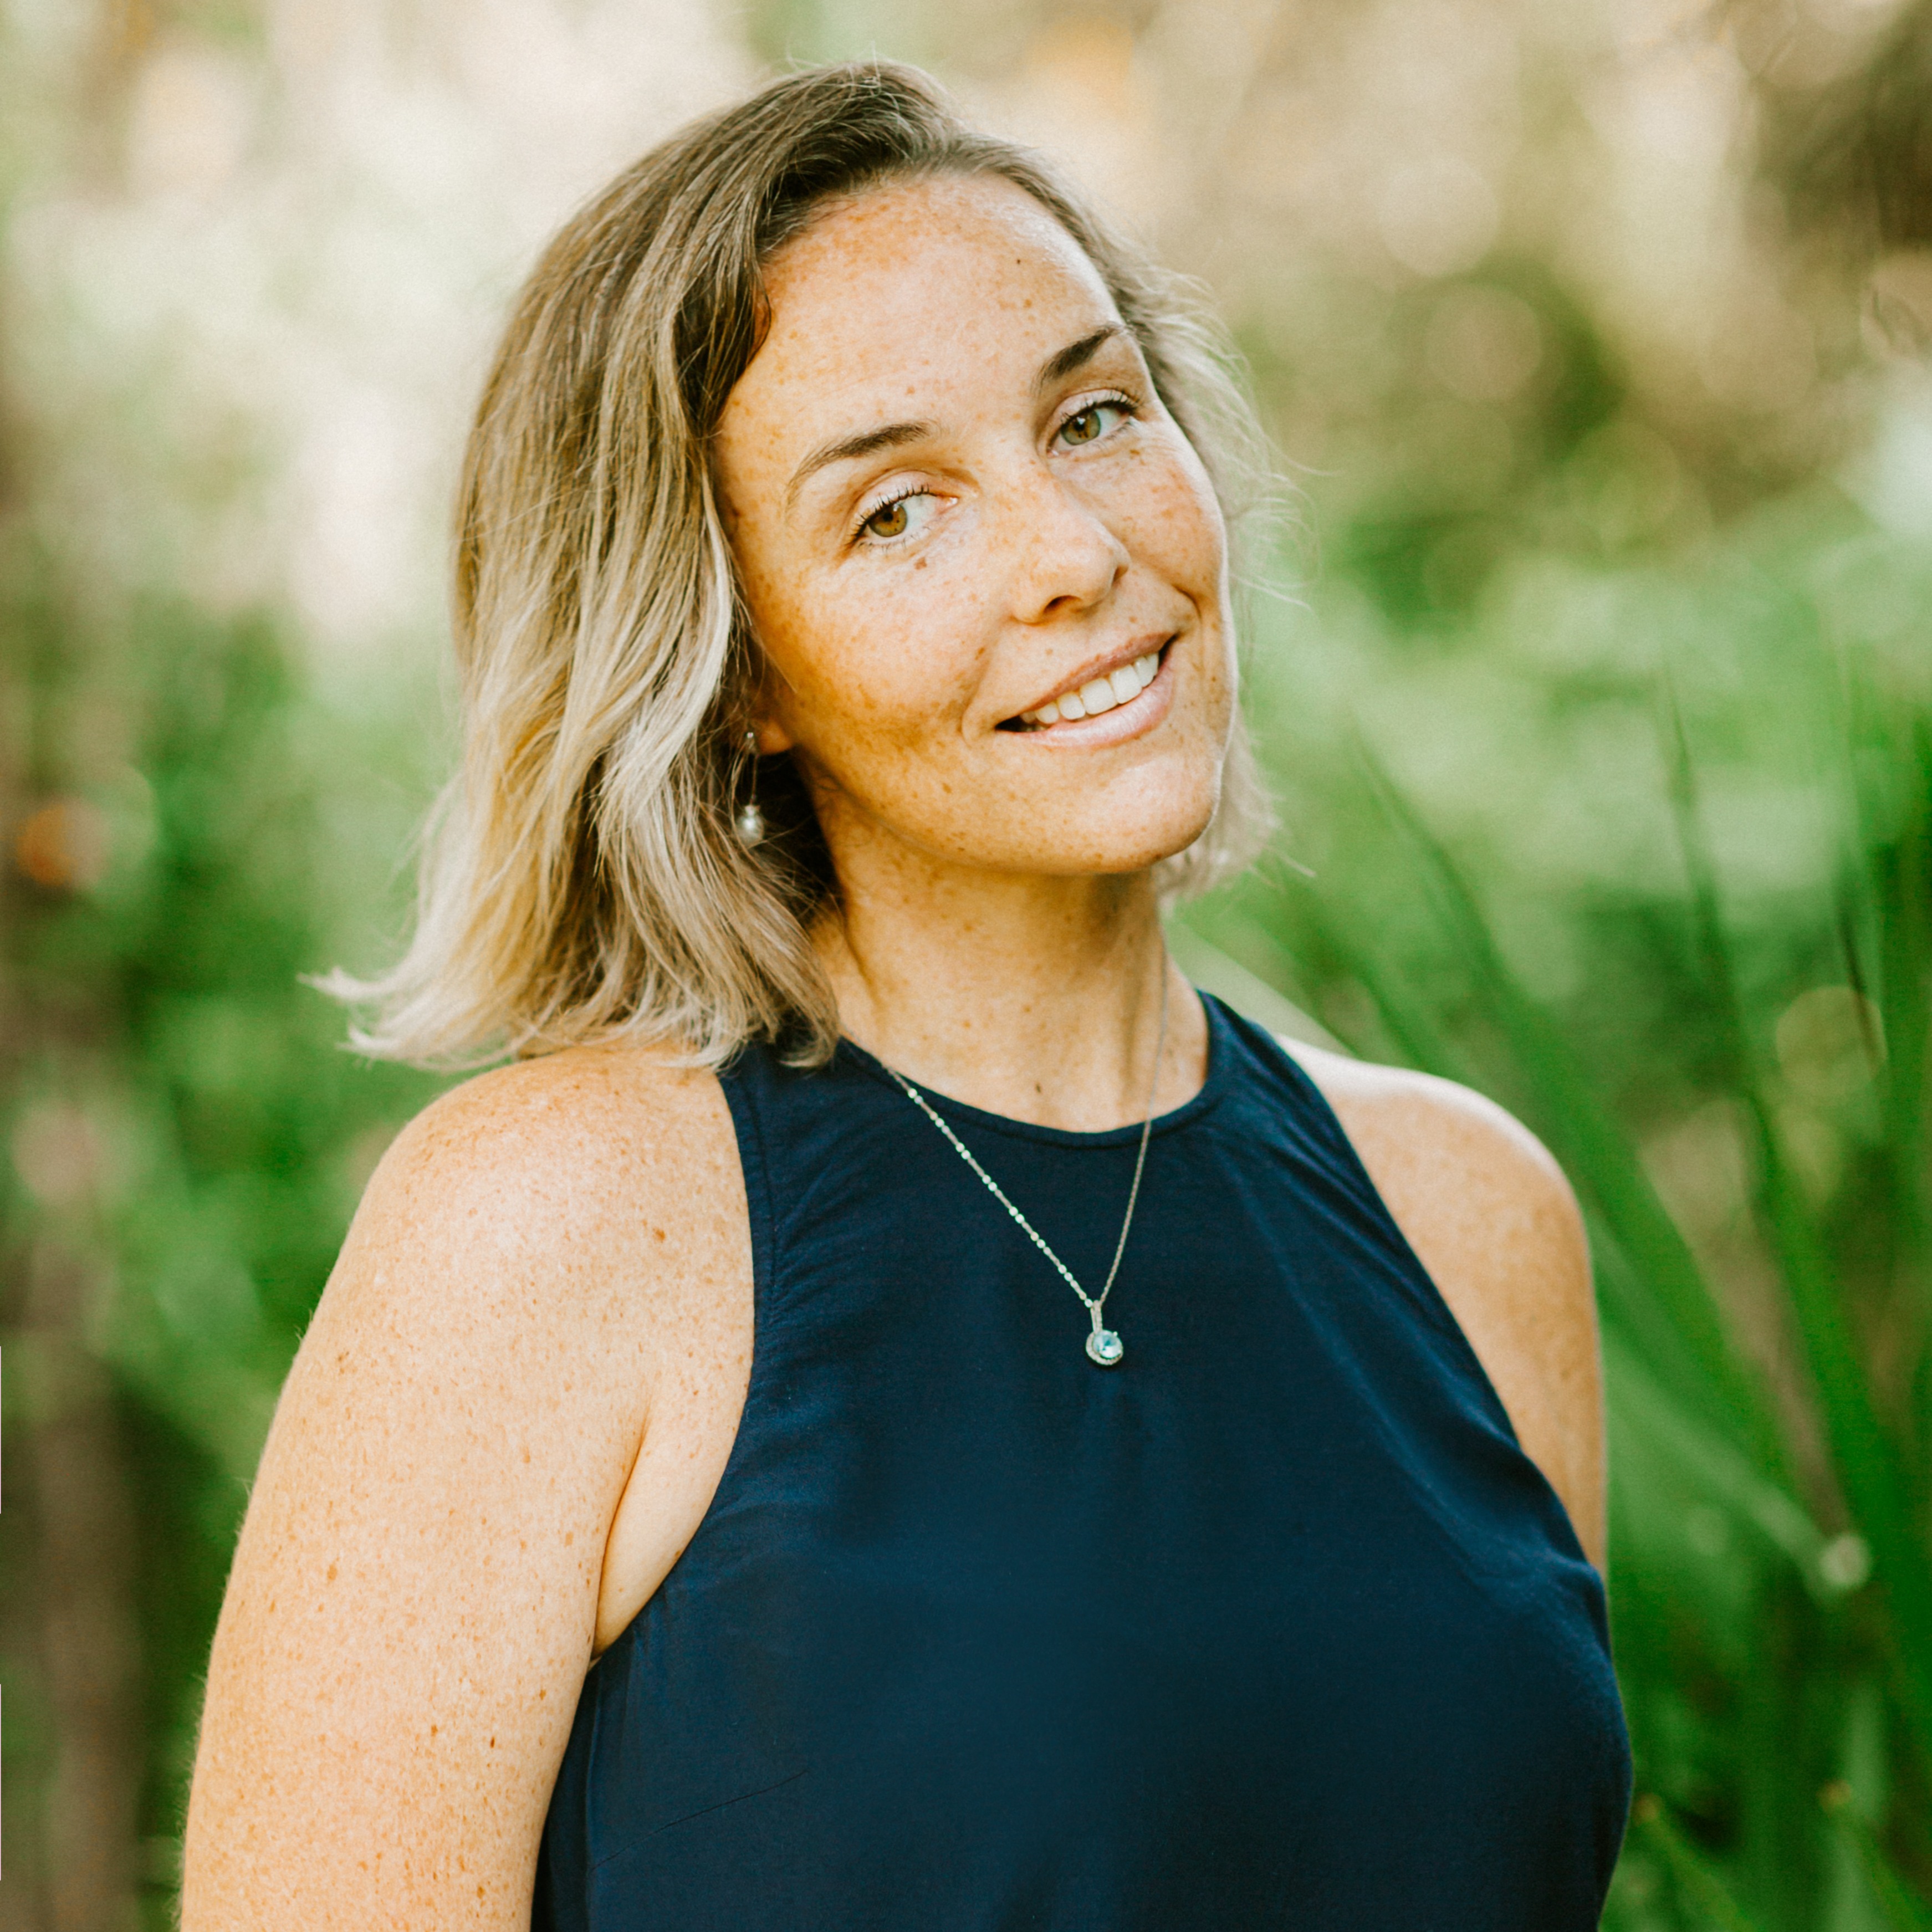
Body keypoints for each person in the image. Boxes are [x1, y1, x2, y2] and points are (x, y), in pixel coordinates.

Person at [182, 60, 1631, 1930]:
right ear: (737, 678)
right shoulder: (549, 1230)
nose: (1075, 555)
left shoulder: (1473, 1217)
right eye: (894, 513)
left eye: (1095, 416)